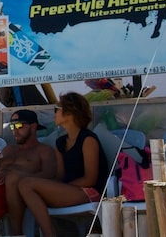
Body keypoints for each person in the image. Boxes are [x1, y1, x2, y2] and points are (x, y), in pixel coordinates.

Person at [18, 92, 109, 237]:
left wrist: (60, 187)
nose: (55, 113)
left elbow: (90, 179)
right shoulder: (61, 142)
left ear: (69, 114)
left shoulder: (88, 140)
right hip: (70, 190)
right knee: (24, 185)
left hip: (89, 192)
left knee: (27, 184)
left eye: (57, 108)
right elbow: (60, 176)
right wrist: (50, 186)